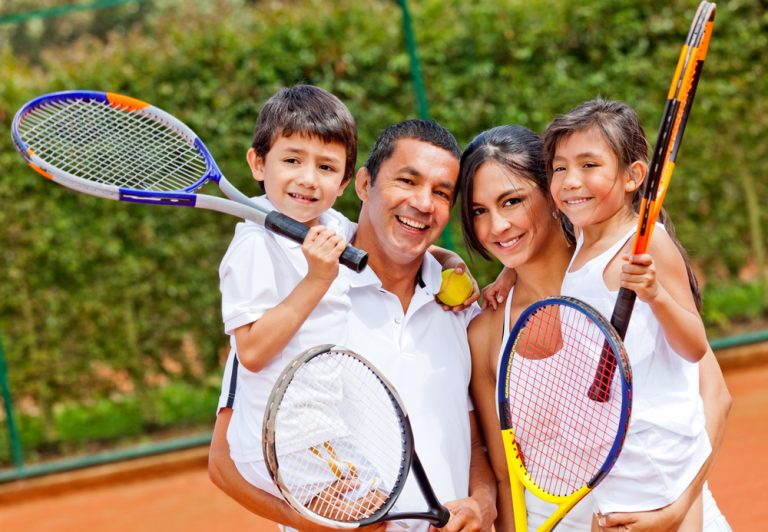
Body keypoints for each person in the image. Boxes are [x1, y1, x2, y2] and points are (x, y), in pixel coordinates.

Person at [210, 118, 497, 532]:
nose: (422, 202)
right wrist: (323, 525)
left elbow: (473, 442)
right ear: (363, 184)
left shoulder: (458, 310)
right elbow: (222, 462)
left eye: (441, 193)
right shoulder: (299, 297)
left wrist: (481, 503)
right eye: (407, 181)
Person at [458, 124, 731, 531]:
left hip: (676, 512)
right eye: (480, 211)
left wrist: (677, 508)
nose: (496, 226)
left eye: (512, 201)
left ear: (553, 195)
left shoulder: (623, 274)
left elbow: (715, 396)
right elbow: (504, 475)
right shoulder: (485, 334)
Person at [546, 97, 718, 529]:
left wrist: (656, 294)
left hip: (656, 454)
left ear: (633, 176)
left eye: (589, 165)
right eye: (560, 167)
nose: (571, 181)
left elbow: (695, 347)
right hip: (614, 454)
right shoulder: (582, 240)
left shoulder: (648, 242)